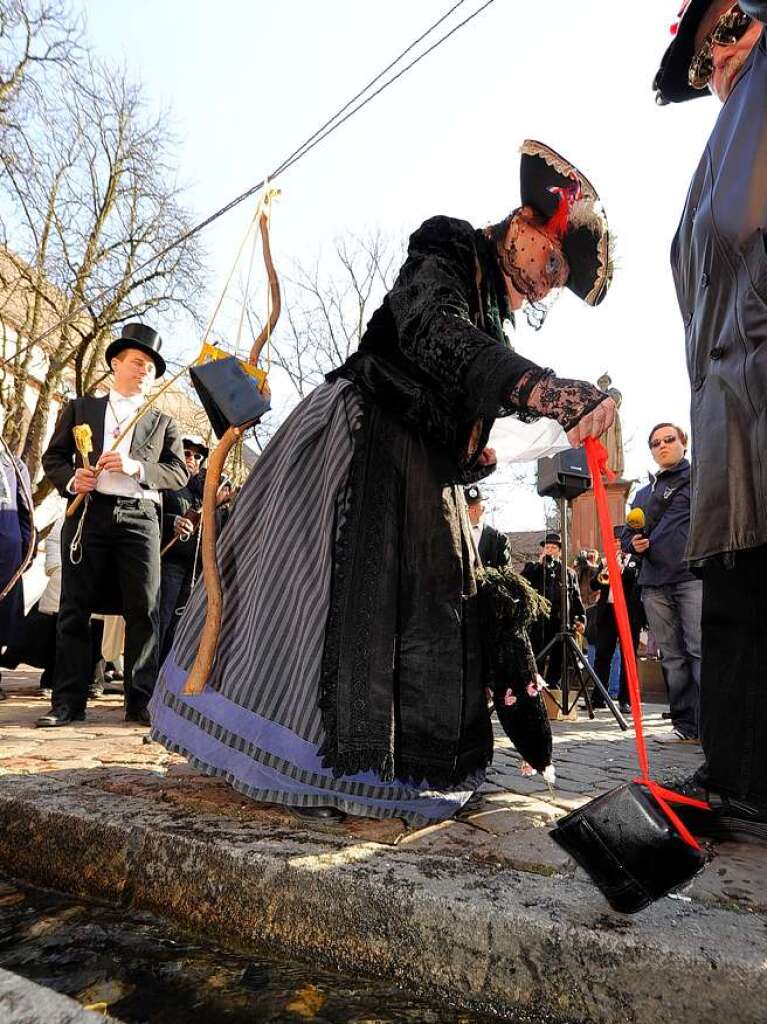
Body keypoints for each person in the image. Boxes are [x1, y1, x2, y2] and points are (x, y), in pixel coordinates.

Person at [149, 140, 616, 827]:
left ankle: (390, 773)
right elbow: (433, 331)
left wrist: (506, 438)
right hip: (358, 440)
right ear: (520, 223)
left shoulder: (498, 313)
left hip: (422, 476)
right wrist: (540, 390)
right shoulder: (447, 248)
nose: (546, 283)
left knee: (427, 611)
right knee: (316, 592)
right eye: (548, 262)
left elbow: (465, 427)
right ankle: (290, 756)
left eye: (558, 279)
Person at [653, 2, 767, 835]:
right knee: (737, 590)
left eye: (726, 30)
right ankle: (742, 776)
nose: (714, 63)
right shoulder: (722, 135)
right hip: (727, 397)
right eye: (699, 61)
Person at [38, 323, 187, 728]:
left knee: (146, 609)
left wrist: (136, 466)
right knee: (74, 608)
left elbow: (177, 474)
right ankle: (67, 702)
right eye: (138, 363)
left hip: (139, 518)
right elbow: (53, 458)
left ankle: (141, 703)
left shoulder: (162, 423)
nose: (145, 372)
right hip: (89, 515)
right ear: (116, 364)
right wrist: (72, 480)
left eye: (151, 367)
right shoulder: (82, 408)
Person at [620, 423, 701, 741]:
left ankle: (712, 726)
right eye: (655, 443)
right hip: (653, 584)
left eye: (669, 440)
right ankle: (685, 727)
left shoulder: (699, 479)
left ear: (684, 442)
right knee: (671, 656)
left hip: (692, 578)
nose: (662, 446)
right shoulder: (642, 494)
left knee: (699, 651)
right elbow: (627, 535)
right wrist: (633, 545)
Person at [158, 435, 208, 665]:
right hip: (168, 563)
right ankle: (147, 679)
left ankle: (163, 678)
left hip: (193, 567)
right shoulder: (167, 483)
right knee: (162, 620)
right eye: (187, 453)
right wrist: (173, 521)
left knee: (179, 626)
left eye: (198, 456)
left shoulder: (201, 491)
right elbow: (152, 514)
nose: (192, 459)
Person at [522, 532, 586, 687]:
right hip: (540, 623)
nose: (550, 550)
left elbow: (576, 598)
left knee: (558, 658)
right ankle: (535, 687)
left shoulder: (568, 572)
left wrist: (581, 618)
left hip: (560, 622)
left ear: (560, 551)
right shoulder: (534, 568)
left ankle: (552, 686)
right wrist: (540, 564)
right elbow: (523, 581)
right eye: (547, 547)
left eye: (553, 548)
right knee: (538, 655)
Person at [590, 529, 641, 715]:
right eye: (613, 542)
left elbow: (634, 578)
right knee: (602, 655)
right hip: (608, 613)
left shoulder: (636, 560)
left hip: (628, 614)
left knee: (628, 657)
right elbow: (594, 585)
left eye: (620, 542)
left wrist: (621, 568)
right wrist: (602, 570)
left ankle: (625, 700)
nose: (617, 545)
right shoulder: (604, 562)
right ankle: (598, 697)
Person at [0, 423, 34, 702]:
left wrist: (27, 551)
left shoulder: (12, 464)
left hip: (8, 555)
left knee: (3, 618)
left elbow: (25, 509)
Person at [464, 484, 510, 568]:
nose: (473, 511)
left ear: (483, 509)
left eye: (477, 508)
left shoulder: (499, 539)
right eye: (470, 508)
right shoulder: (455, 536)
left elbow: (505, 573)